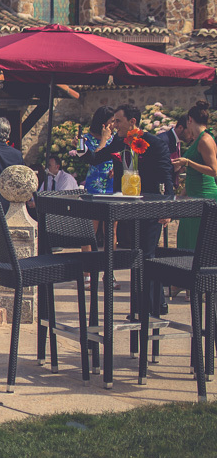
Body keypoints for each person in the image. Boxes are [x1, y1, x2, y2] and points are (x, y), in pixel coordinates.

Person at [80, 103, 175, 316]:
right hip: (127, 209)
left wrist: (167, 206)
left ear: (132, 122)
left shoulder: (155, 143)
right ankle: (154, 305)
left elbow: (166, 176)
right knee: (138, 255)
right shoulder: (118, 141)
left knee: (146, 255)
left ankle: (144, 311)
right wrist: (97, 140)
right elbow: (94, 158)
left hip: (150, 208)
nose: (114, 124)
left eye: (118, 121)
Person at [173, 101, 217, 251]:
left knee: (198, 244)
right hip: (194, 197)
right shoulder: (198, 140)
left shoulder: (205, 140)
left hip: (204, 196)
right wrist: (183, 195)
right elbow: (194, 174)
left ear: (190, 120)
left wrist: (188, 162)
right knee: (187, 240)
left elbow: (214, 170)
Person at [80, 106, 116, 195]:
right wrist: (104, 139)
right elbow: (94, 159)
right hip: (94, 185)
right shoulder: (86, 139)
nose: (114, 124)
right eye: (112, 121)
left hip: (112, 184)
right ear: (103, 122)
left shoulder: (115, 138)